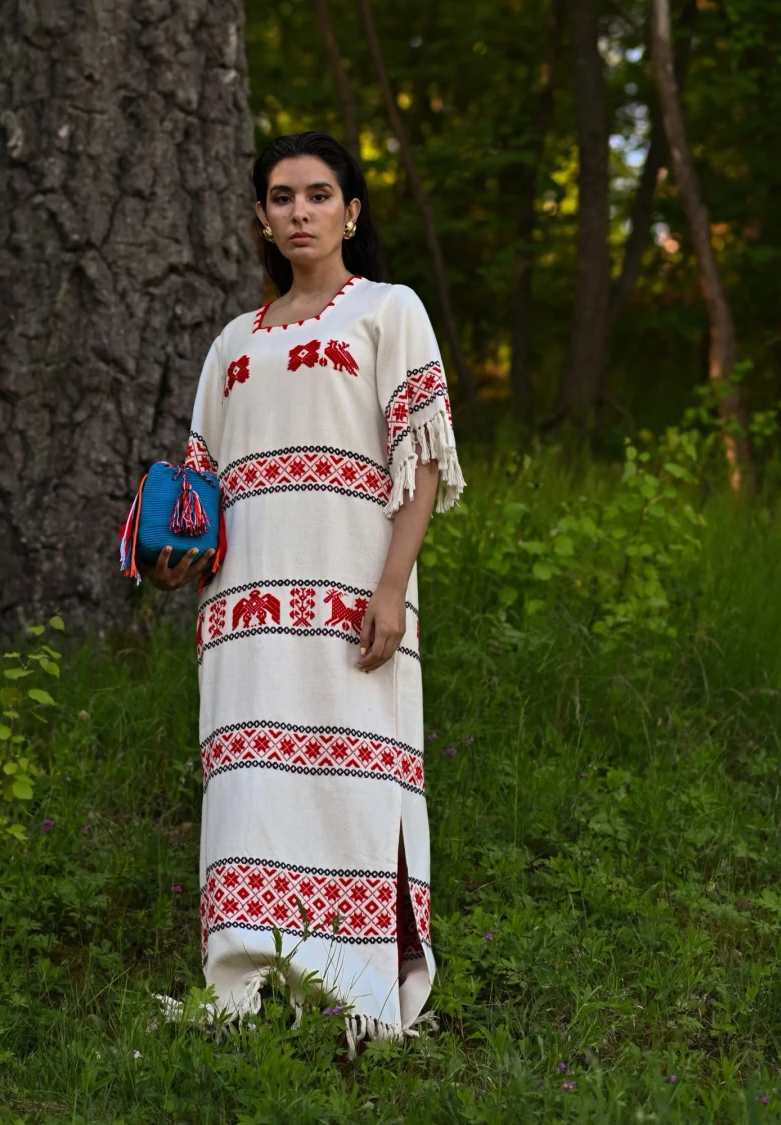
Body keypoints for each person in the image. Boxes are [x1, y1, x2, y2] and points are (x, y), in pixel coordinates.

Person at [148, 131, 465, 1048]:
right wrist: (175, 555)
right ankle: (243, 983)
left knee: (352, 785)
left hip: (348, 598)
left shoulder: (388, 311)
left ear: (351, 212)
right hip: (244, 617)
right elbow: (201, 488)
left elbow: (422, 464)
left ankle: (357, 988)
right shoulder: (231, 346)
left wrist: (392, 587)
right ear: (259, 216)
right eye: (281, 198)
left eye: (318, 195)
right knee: (250, 790)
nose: (299, 212)